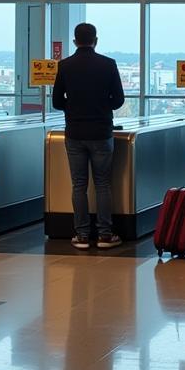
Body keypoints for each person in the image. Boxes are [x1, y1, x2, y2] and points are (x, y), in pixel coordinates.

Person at [52, 22, 125, 250]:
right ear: (96, 40)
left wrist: (73, 108)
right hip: (101, 131)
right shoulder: (108, 65)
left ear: (75, 41)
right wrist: (103, 106)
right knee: (103, 184)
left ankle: (82, 235)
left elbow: (56, 101)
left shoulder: (65, 65)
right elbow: (119, 99)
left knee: (78, 185)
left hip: (74, 132)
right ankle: (105, 234)